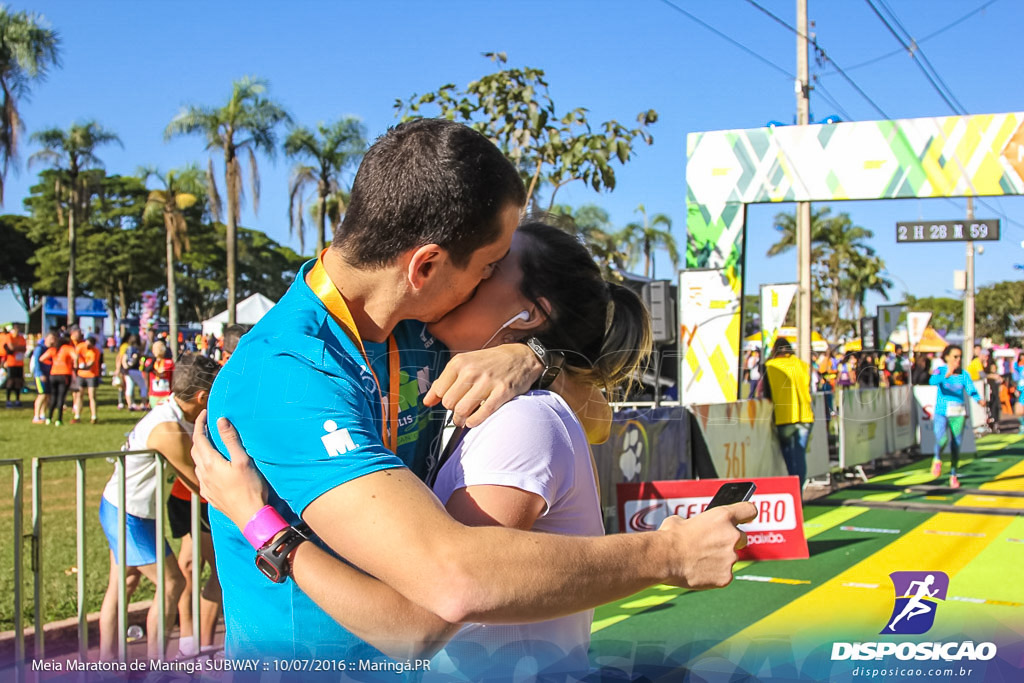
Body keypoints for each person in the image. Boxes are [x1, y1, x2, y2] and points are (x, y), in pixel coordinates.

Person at [200, 119, 754, 664]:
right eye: (488, 267)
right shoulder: (288, 375)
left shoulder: (425, 322)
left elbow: (594, 414)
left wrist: (531, 354)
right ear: (428, 265)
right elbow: (443, 591)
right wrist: (668, 552)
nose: (485, 283)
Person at [194, 220, 653, 677]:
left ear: (530, 313)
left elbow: (421, 620)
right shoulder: (424, 339)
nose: (479, 276)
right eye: (484, 266)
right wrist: (534, 354)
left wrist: (531, 355)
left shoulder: (521, 413)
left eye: (493, 269)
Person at [98, 353, 220, 661]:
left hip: (127, 510)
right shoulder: (168, 430)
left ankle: (107, 664)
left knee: (124, 583)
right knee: (173, 582)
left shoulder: (171, 414)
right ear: (201, 396)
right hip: (129, 515)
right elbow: (199, 484)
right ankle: (156, 664)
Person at [759, 338, 814, 488]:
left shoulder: (770, 366)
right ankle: (799, 494)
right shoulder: (801, 364)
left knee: (791, 462)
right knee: (800, 457)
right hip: (805, 416)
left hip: (784, 418)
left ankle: (795, 495)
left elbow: (766, 393)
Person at [929, 344, 986, 489]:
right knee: (942, 439)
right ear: (947, 357)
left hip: (958, 413)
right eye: (955, 357)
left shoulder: (964, 374)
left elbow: (971, 389)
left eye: (960, 357)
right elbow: (932, 381)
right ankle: (937, 459)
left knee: (956, 445)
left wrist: (979, 400)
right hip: (942, 412)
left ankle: (953, 474)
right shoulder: (940, 370)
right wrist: (946, 375)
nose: (958, 360)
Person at [41, 335, 75, 426]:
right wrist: (74, 365)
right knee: (61, 397)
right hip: (65, 374)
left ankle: (49, 418)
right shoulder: (67, 348)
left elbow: (42, 359)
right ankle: (59, 419)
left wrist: (51, 363)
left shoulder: (53, 349)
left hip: (53, 374)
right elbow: (76, 356)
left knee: (53, 396)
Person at [76, 336, 103, 423]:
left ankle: (94, 416)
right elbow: (76, 355)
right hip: (81, 375)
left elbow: (90, 365)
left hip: (92, 375)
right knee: (79, 395)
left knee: (92, 395)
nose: (87, 346)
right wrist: (77, 363)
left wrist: (82, 367)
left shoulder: (95, 352)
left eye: (89, 345)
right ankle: (77, 416)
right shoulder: (80, 346)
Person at [31, 332, 56, 424]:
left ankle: (42, 414)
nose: (52, 340)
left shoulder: (52, 349)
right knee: (42, 394)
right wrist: (40, 373)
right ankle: (36, 416)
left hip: (49, 374)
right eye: (51, 338)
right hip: (40, 375)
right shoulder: (40, 348)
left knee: (47, 395)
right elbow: (36, 362)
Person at [3, 322, 27, 406]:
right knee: (10, 381)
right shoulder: (9, 336)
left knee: (18, 381)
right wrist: (17, 348)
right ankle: (8, 400)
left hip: (19, 363)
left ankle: (17, 399)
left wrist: (16, 348)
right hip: (11, 363)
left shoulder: (21, 338)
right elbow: (11, 348)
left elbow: (24, 349)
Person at [121, 334, 148, 410]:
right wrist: (131, 365)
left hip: (128, 371)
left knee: (129, 387)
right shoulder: (136, 349)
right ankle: (143, 404)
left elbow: (124, 358)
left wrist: (126, 367)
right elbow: (135, 358)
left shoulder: (127, 348)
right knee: (143, 386)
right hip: (135, 370)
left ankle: (130, 405)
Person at [146, 340, 174, 408]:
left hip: (166, 395)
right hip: (154, 394)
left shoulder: (169, 363)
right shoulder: (150, 362)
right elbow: (147, 370)